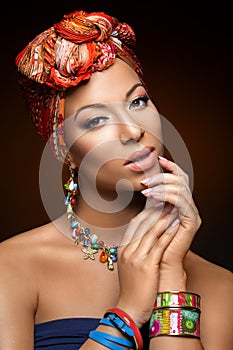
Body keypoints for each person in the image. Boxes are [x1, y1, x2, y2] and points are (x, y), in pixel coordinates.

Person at [0, 8, 232, 350]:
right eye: (95, 121)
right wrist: (127, 312)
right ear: (64, 150)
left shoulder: (220, 285)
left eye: (138, 101)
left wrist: (170, 278)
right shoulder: (11, 267)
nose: (133, 130)